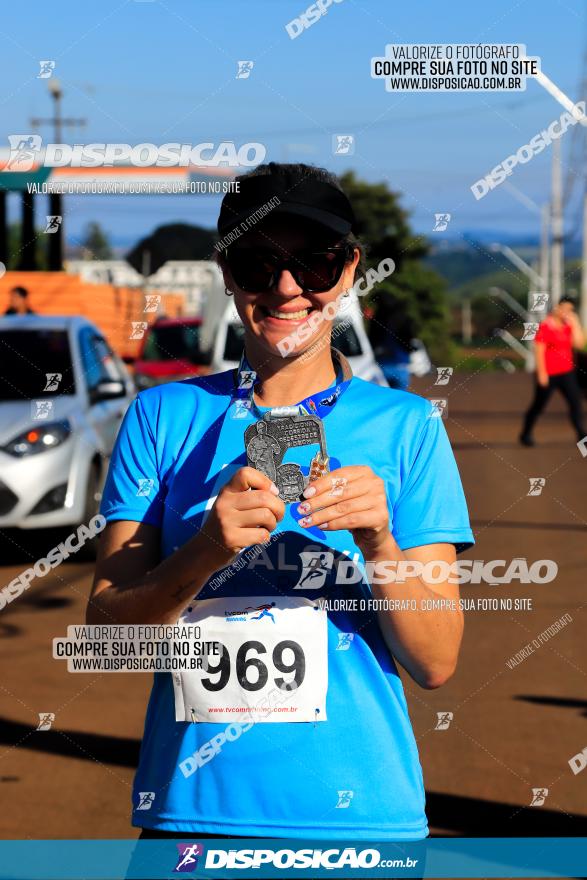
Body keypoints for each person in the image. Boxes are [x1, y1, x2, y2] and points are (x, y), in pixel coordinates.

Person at [88, 163, 474, 861]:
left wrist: (381, 544)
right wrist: (206, 548)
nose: (287, 288)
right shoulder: (161, 415)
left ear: (350, 268)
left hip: (360, 825)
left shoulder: (408, 426)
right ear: (227, 273)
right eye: (258, 263)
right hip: (192, 822)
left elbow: (436, 661)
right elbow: (108, 640)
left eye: (314, 263)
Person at [520, 295, 586, 446]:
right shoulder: (545, 326)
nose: (566, 312)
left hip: (567, 372)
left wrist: (575, 324)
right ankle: (526, 433)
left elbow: (580, 344)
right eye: (564, 309)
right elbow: (539, 351)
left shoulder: (568, 326)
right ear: (557, 307)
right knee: (539, 405)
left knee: (575, 403)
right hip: (549, 373)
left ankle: (582, 436)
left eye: (570, 310)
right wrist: (542, 374)